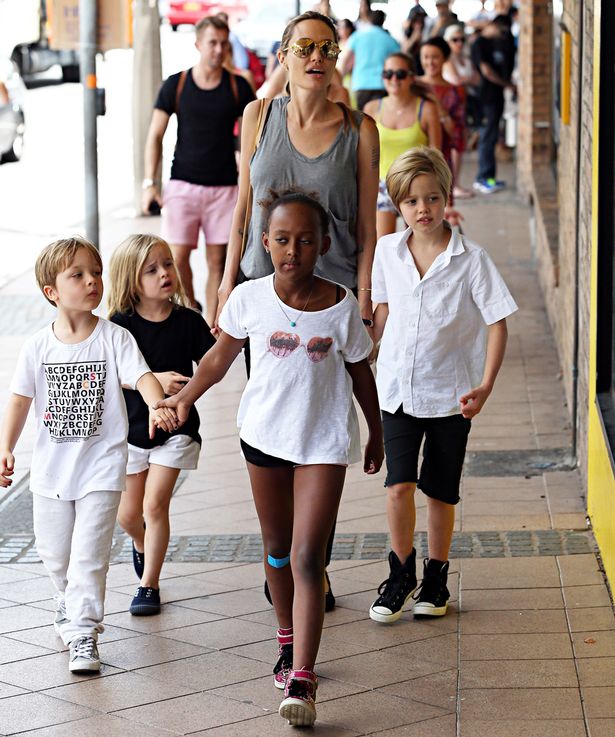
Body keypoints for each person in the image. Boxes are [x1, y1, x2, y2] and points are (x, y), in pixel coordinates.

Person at [158, 191, 383, 727]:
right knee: (278, 552)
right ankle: (286, 637)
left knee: (309, 558)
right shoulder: (249, 298)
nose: (293, 250)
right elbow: (217, 358)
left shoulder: (344, 304)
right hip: (263, 439)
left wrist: (377, 433)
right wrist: (183, 398)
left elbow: (360, 373)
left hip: (323, 444)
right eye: (282, 239)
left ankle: (302, 677)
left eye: (306, 240)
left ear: (324, 245)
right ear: (265, 243)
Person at [215, 10, 379, 609]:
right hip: (266, 301)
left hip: (331, 309)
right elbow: (241, 213)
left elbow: (365, 226)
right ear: (283, 54)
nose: (316, 57)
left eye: (327, 48)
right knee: (271, 426)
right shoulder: (258, 116)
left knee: (323, 434)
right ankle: (281, 554)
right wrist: (224, 285)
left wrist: (364, 304)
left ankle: (313, 561)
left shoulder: (360, 129)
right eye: (304, 46)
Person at [0, 237, 177, 673]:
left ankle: (84, 634)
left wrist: (157, 403)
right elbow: (20, 400)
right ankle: (66, 601)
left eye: (95, 272)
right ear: (52, 292)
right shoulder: (38, 347)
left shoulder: (114, 337)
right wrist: (5, 446)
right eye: (77, 275)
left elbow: (142, 376)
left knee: (88, 555)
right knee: (55, 553)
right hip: (50, 474)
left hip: (101, 468)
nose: (91, 281)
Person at [368, 147, 517, 623]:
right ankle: (400, 573)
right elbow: (383, 310)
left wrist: (487, 384)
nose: (423, 209)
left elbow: (498, 323)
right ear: (397, 205)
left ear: (446, 196)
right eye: (411, 202)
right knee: (398, 486)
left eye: (432, 198)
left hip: (451, 395)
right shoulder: (388, 251)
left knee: (440, 492)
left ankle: (436, 577)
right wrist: (368, 352)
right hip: (396, 389)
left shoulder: (471, 259)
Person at [108, 235, 215, 616]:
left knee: (155, 506)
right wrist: (152, 378)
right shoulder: (119, 326)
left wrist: (184, 398)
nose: (164, 274)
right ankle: (141, 544)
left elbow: (212, 367)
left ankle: (148, 585)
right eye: (151, 270)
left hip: (177, 429)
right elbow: (107, 372)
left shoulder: (188, 321)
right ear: (130, 280)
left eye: (167, 264)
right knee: (127, 515)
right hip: (132, 430)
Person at [141, 15, 255, 325]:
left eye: (223, 43)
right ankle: (192, 314)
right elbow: (155, 135)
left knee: (218, 261)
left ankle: (213, 327)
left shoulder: (238, 87)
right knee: (177, 259)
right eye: (212, 43)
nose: (218, 50)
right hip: (182, 185)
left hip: (224, 188)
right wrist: (150, 182)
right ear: (198, 44)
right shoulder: (176, 84)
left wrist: (249, 185)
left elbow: (249, 142)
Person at [364, 53, 441, 239]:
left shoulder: (427, 108)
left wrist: (442, 194)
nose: (393, 79)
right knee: (383, 244)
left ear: (411, 77)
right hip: (382, 184)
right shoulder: (372, 108)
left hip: (417, 185)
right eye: (388, 74)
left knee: (418, 242)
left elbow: (436, 156)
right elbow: (364, 155)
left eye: (400, 74)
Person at [470, 16, 516, 194]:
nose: (503, 35)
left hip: (497, 97)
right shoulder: (480, 43)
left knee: (492, 135)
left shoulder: (500, 43)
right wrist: (508, 85)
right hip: (486, 97)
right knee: (487, 136)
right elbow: (487, 71)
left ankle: (489, 177)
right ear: (494, 25)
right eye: (502, 31)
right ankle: (482, 178)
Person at [418, 38, 468, 197]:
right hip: (413, 155)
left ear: (445, 59)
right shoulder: (412, 85)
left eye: (435, 57)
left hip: (440, 159)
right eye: (425, 57)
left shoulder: (455, 91)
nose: (430, 62)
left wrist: (439, 109)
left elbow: (455, 133)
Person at [341, 9, 400, 111]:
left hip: (360, 84)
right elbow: (399, 60)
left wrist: (340, 80)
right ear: (383, 21)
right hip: (381, 84)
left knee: (362, 119)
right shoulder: (389, 39)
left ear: (370, 20)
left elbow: (346, 60)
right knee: (379, 121)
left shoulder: (357, 36)